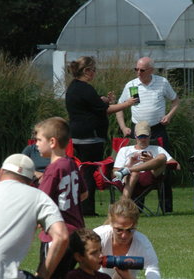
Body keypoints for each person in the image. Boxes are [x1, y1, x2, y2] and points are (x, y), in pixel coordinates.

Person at [34, 117, 88, 279]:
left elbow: (41, 201)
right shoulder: (71, 164)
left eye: (39, 139)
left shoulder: (53, 169)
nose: (36, 144)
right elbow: (84, 194)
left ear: (52, 142)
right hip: (77, 232)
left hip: (57, 235)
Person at [65, 56, 137, 215]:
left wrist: (103, 100)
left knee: (83, 170)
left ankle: (82, 206)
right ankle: (87, 208)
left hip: (76, 136)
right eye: (93, 70)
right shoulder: (86, 88)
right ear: (86, 71)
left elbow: (91, 105)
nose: (95, 73)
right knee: (89, 172)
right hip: (91, 137)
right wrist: (127, 104)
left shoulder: (73, 87)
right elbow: (104, 110)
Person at [116, 57, 180, 212]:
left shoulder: (162, 82)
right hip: (138, 130)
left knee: (164, 165)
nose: (138, 72)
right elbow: (119, 107)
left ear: (151, 70)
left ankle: (166, 207)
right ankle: (137, 207)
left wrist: (169, 116)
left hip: (157, 128)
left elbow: (176, 101)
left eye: (142, 70)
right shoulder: (131, 85)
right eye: (136, 69)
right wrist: (123, 127)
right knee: (137, 163)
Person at [94, 198, 162, 279]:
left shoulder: (142, 244)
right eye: (119, 230)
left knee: (125, 278)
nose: (124, 236)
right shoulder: (98, 237)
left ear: (136, 225)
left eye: (130, 230)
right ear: (111, 223)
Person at [112, 121, 175, 201]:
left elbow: (176, 165)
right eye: (140, 136)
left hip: (147, 177)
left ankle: (128, 170)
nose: (143, 139)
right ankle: (124, 202)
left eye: (145, 136)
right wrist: (131, 163)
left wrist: (152, 161)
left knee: (162, 157)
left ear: (150, 135)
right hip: (128, 178)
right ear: (135, 136)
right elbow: (115, 172)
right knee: (134, 173)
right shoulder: (124, 150)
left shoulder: (158, 149)